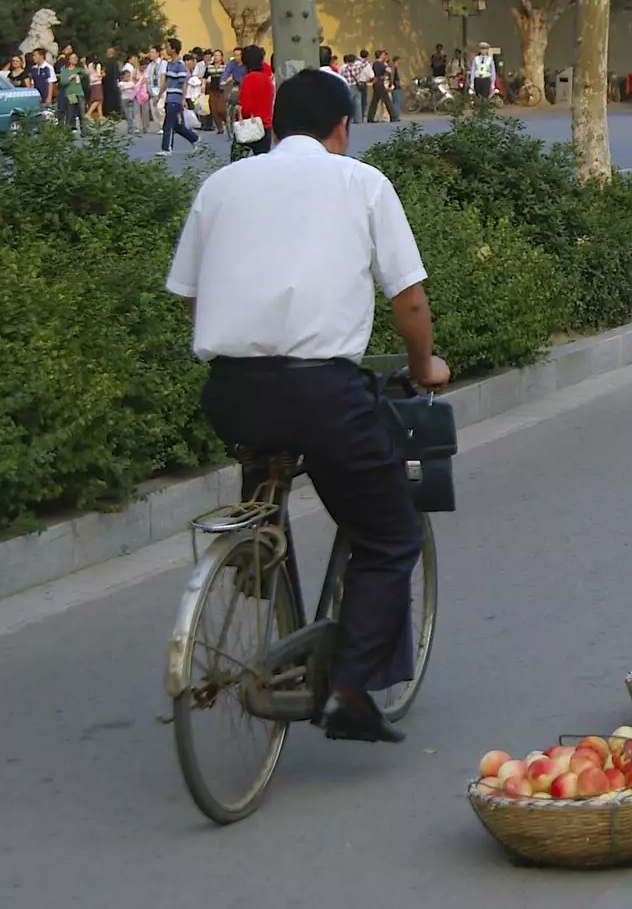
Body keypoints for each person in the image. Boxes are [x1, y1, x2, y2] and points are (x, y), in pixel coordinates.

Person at [165, 68, 449, 744]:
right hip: (324, 393)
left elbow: (189, 294)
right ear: (342, 128)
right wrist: (422, 366)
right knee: (389, 535)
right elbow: (408, 301)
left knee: (270, 464)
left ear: (273, 121)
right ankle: (349, 689)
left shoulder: (221, 184)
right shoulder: (361, 184)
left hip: (231, 392)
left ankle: (259, 555)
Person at [232, 44, 275, 160]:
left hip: (249, 126)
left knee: (237, 162)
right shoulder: (267, 79)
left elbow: (246, 107)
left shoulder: (248, 79)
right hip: (265, 126)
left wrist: (237, 111)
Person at [161, 37, 199, 154]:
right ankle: (194, 138)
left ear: (173, 49)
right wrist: (159, 95)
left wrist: (183, 99)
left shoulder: (179, 64)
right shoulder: (170, 64)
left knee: (168, 124)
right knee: (176, 125)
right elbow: (167, 82)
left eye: (168, 47)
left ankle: (166, 148)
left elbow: (184, 82)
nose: (166, 49)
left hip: (176, 98)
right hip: (169, 96)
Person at [58, 53, 86, 130]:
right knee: (70, 114)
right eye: (73, 58)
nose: (75, 59)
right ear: (69, 60)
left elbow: (86, 74)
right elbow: (63, 82)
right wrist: (70, 77)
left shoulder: (78, 69)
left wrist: (83, 64)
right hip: (70, 94)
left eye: (76, 57)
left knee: (82, 113)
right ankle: (68, 130)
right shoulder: (65, 70)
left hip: (79, 93)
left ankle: (84, 130)